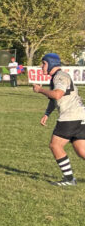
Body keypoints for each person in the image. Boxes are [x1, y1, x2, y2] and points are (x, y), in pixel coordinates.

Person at [33, 53, 85, 186]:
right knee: (82, 151)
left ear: (51, 63)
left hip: (70, 117)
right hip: (79, 116)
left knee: (55, 145)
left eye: (43, 63)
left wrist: (40, 90)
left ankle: (69, 179)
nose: (41, 66)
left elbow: (57, 95)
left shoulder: (60, 76)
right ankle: (69, 180)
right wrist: (47, 113)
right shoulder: (57, 77)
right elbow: (54, 99)